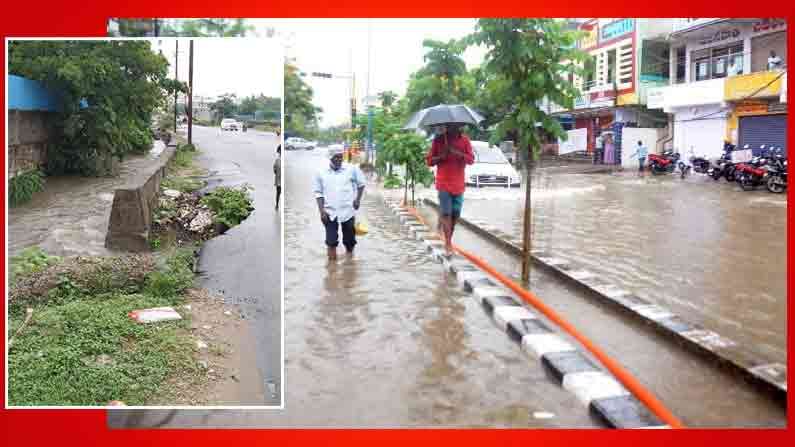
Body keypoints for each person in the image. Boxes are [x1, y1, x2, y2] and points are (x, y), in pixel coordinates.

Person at [425, 123, 474, 257]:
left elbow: (471, 160)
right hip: (443, 183)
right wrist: (442, 156)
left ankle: (447, 237)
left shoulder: (465, 141)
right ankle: (448, 243)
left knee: (455, 214)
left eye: (456, 126)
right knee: (447, 213)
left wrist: (456, 152)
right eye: (450, 126)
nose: (453, 128)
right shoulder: (438, 140)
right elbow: (429, 161)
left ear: (460, 127)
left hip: (458, 185)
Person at [313, 146, 366, 261]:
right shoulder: (321, 172)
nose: (338, 160)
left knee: (349, 242)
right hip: (329, 213)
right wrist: (321, 211)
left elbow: (361, 184)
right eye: (335, 157)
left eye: (340, 157)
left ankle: (349, 264)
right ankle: (332, 271)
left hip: (348, 212)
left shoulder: (352, 169)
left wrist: (357, 200)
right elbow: (318, 193)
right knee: (331, 242)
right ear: (330, 158)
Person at [274, 145, 281, 211]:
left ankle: (277, 205)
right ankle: (277, 205)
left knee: (278, 193)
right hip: (279, 180)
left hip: (279, 180)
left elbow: (275, 170)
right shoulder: (278, 160)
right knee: (279, 193)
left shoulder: (277, 160)